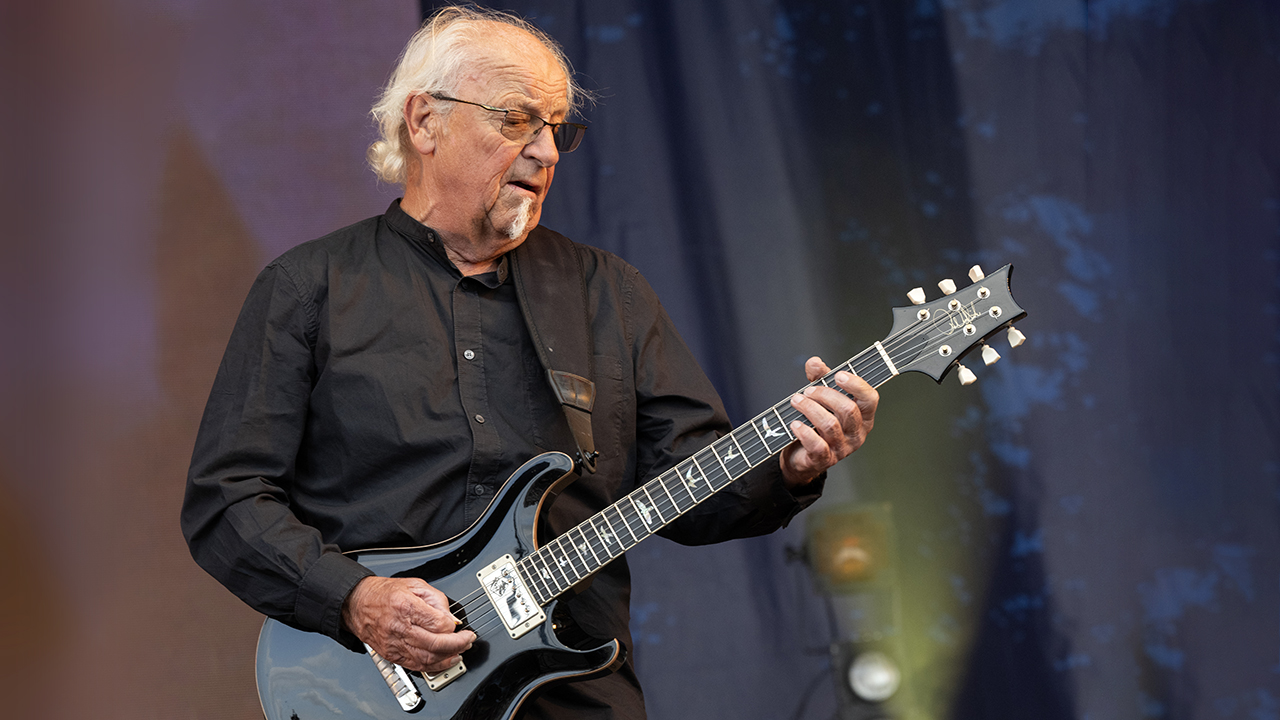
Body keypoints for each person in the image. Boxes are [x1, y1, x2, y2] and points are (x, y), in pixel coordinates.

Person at [181, 6, 879, 719]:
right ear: (424, 122)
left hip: (575, 697)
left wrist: (791, 464)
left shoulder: (608, 294)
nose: (546, 151)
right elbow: (227, 498)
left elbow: (690, 484)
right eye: (516, 120)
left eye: (556, 128)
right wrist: (356, 599)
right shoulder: (310, 288)